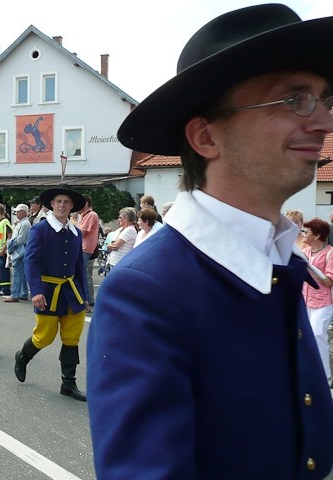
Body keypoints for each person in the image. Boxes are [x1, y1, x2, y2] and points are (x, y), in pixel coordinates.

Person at [88, 5, 333, 479]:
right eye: (294, 100)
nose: (323, 122)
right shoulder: (145, 291)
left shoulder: (278, 256)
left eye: (325, 100)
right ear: (205, 137)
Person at [14, 184, 87, 401]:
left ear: (72, 206)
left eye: (66, 202)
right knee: (44, 336)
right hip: (47, 291)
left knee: (72, 337)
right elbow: (31, 261)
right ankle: (23, 356)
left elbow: (78, 267)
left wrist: (84, 296)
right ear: (52, 205)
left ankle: (68, 383)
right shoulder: (40, 229)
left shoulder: (76, 232)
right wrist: (35, 291)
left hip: (72, 292)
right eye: (58, 202)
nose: (62, 205)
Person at [301, 218, 333, 384]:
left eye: (307, 232)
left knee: (318, 334)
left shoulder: (330, 253)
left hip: (323, 302)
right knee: (305, 335)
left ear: (317, 235)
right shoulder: (305, 251)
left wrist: (309, 267)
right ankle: (308, 371)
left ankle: (325, 376)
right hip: (305, 300)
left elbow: (328, 281)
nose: (303, 234)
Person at [3, 204, 31, 303]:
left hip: (20, 251)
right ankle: (23, 293)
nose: (16, 213)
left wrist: (10, 243)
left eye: (18, 211)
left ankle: (15, 295)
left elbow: (20, 239)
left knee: (17, 273)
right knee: (22, 273)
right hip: (20, 250)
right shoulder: (20, 223)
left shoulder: (25, 224)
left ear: (24, 212)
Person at [76, 194, 99, 307]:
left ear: (85, 203)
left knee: (83, 274)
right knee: (85, 274)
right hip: (84, 248)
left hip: (86, 248)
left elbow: (81, 232)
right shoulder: (83, 216)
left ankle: (88, 299)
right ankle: (88, 298)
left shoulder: (91, 215)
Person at [0, 203, 12, 296]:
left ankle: (5, 288)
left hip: (2, 250)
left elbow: (9, 236)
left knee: (3, 270)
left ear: (0, 212)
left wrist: (4, 249)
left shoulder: (5, 222)